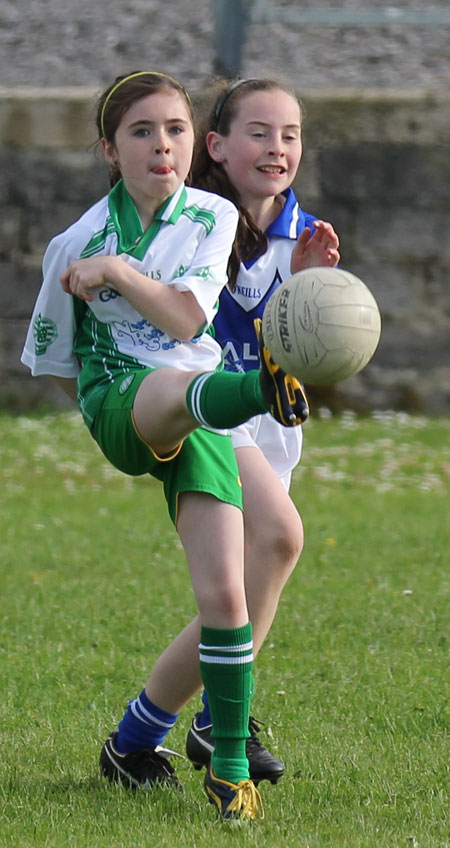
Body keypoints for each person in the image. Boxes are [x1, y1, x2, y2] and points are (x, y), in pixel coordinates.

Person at [21, 70, 309, 822]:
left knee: (237, 583)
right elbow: (54, 363)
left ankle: (217, 771)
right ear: (110, 149)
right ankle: (261, 389)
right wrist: (105, 420)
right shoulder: (74, 243)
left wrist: (117, 273)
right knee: (163, 390)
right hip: (126, 402)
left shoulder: (210, 215)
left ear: (192, 142)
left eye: (175, 130)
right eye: (142, 132)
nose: (163, 146)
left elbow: (186, 321)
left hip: (195, 401)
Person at [185, 77, 340, 779]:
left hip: (271, 428)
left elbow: (299, 359)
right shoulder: (191, 227)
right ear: (216, 146)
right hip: (206, 414)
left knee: (236, 599)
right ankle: (224, 723)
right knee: (281, 537)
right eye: (260, 132)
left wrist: (310, 290)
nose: (278, 147)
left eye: (290, 134)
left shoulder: (301, 233)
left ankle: (143, 730)